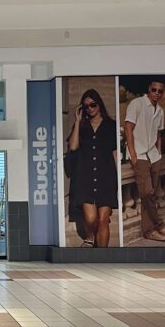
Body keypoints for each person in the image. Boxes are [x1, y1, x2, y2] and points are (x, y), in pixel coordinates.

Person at [67, 89, 119, 247]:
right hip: (85, 178)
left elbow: (115, 153)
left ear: (99, 104)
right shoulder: (81, 127)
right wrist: (77, 121)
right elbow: (73, 147)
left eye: (92, 104)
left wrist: (117, 181)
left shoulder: (111, 126)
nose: (89, 108)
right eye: (86, 106)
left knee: (103, 220)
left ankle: (102, 260)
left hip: (106, 177)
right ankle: (90, 237)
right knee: (90, 218)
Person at [124, 80, 165, 242]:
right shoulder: (136, 104)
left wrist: (159, 152)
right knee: (147, 192)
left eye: (160, 91)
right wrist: (132, 154)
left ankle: (148, 231)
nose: (157, 93)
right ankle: (159, 224)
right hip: (139, 155)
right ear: (149, 89)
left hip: (154, 156)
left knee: (148, 196)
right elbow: (128, 128)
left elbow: (158, 134)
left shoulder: (160, 111)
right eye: (154, 90)